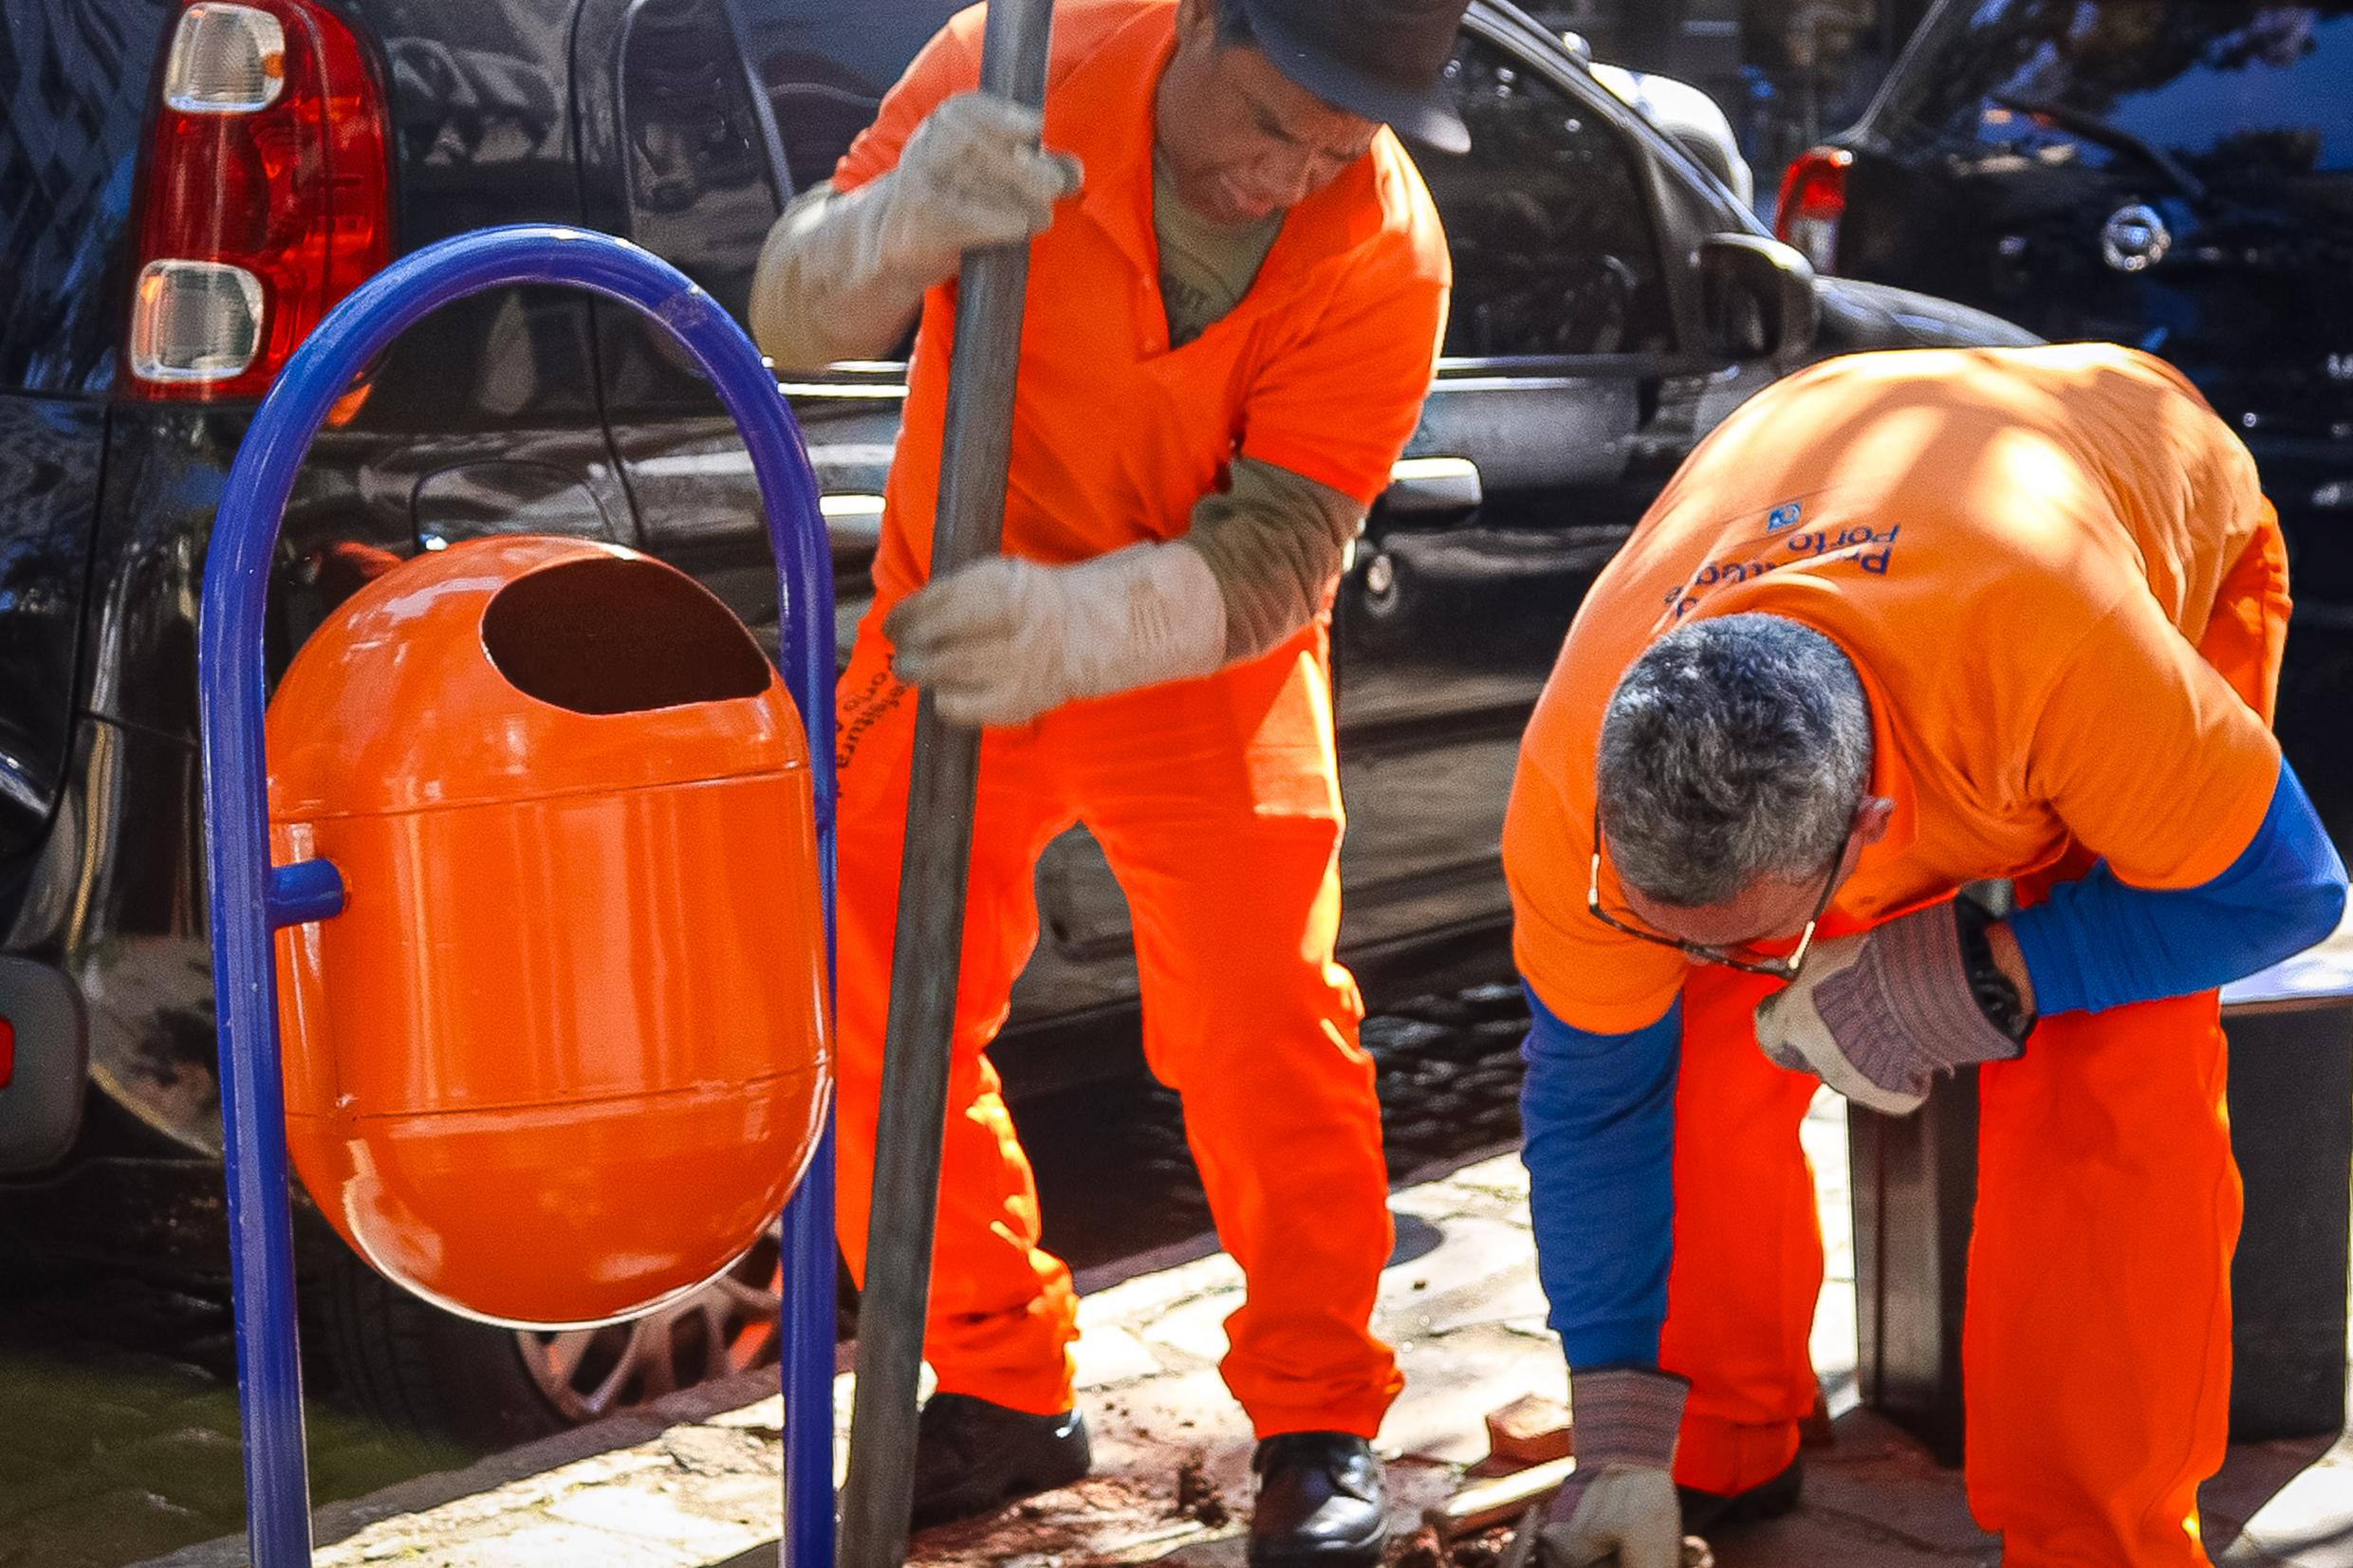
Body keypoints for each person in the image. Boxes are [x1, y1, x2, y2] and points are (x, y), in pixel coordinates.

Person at [746, 1, 1460, 1560]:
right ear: (1203, 21)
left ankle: (1319, 1416)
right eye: (1272, 123)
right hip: (954, 614)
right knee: (853, 985)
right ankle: (1001, 1383)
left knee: (1267, 1017)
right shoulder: (1024, 59)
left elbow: (1280, 549)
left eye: (1338, 144)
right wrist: (897, 224)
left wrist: (1082, 625)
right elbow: (794, 309)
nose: (1289, 173)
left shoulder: (1385, 250)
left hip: (1188, 648)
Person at [1499, 343, 2347, 1568]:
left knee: (2112, 1072)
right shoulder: (1571, 780)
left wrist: (1988, 970)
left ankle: (2091, 1533)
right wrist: (1615, 1439)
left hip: (2117, 507)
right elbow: (1594, 1102)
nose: (1749, 966)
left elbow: (2284, 891)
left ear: (1876, 829)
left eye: (1760, 933)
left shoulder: (2065, 655)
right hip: (1847, 489)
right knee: (1688, 1041)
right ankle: (1710, 1433)